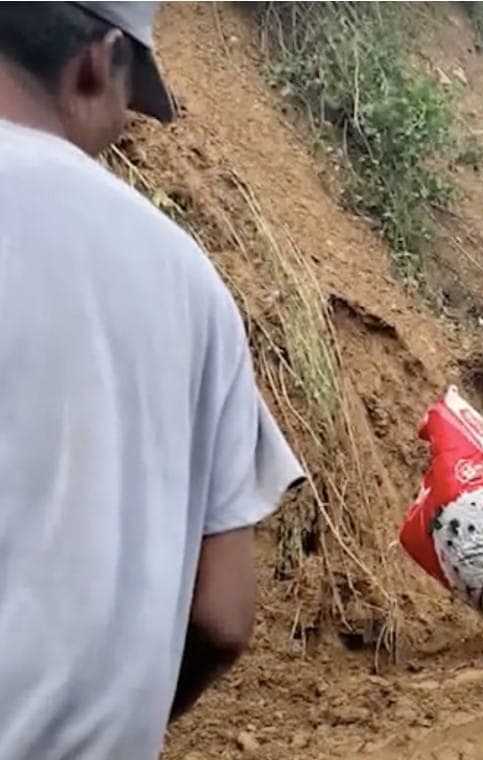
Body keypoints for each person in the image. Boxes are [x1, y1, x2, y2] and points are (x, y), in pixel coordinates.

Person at [0, 4, 305, 759]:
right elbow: (222, 617)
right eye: (129, 104)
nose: (123, 132)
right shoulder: (193, 285)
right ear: (97, 61)